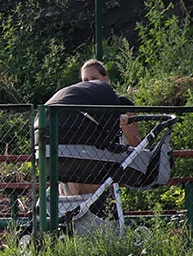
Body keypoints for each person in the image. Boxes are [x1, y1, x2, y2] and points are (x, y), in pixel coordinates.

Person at [45, 58, 140, 196]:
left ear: (106, 79)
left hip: (108, 166)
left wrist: (125, 126)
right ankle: (70, 213)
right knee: (68, 174)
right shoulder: (77, 109)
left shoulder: (122, 104)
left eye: (94, 78)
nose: (90, 83)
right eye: (86, 80)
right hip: (82, 164)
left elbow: (136, 143)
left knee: (71, 177)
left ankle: (70, 213)